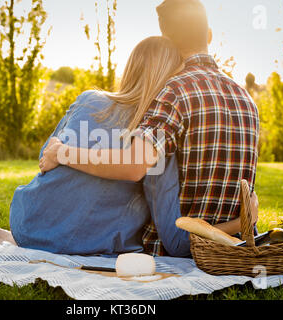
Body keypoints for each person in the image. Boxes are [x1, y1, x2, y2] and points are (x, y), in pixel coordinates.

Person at [41, 0, 260, 257]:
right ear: (209, 35)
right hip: (236, 241)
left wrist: (62, 153)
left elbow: (134, 167)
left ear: (167, 40)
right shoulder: (246, 98)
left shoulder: (175, 91)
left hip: (173, 247)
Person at [0, 36, 186, 255]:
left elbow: (45, 157)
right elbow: (168, 224)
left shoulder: (90, 100)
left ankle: (27, 241)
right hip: (93, 245)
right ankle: (42, 241)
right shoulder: (156, 136)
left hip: (30, 224)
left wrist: (64, 153)